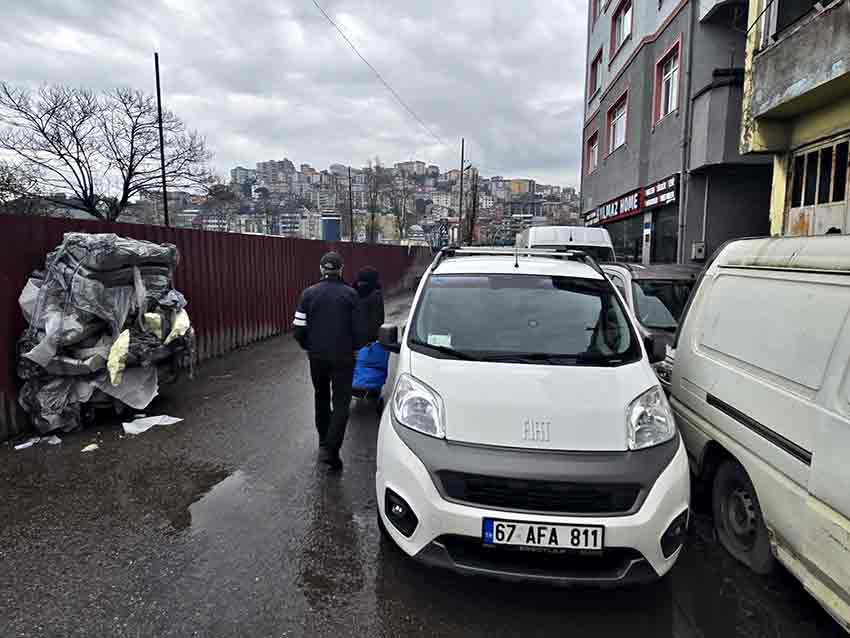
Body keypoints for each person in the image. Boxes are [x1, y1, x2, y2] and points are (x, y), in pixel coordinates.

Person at [293, 251, 365, 470]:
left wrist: (309, 346)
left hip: (317, 357)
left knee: (321, 397)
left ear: (321, 269)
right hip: (343, 357)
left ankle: (324, 441)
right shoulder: (351, 295)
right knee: (341, 402)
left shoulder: (308, 294)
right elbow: (360, 330)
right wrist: (354, 348)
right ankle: (332, 449)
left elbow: (298, 328)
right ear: (341, 269)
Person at [352, 266, 385, 343]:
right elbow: (377, 322)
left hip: (354, 342)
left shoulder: (351, 294)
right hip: (370, 343)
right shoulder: (376, 295)